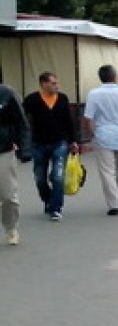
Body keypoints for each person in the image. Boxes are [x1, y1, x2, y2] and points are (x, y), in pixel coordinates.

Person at [83, 65, 118, 216]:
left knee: (107, 172)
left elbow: (89, 118)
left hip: (103, 135)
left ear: (100, 77)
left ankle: (114, 203)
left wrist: (92, 134)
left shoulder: (93, 94)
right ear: (115, 77)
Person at [23, 72, 79, 222]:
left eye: (57, 83)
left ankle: (56, 208)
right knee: (40, 179)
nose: (57, 86)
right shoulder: (32, 99)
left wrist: (74, 141)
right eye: (53, 83)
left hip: (59, 143)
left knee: (58, 177)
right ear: (43, 84)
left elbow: (69, 121)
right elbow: (21, 120)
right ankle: (48, 199)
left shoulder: (62, 98)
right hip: (38, 144)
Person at [0, 80, 33, 244]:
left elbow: (21, 122)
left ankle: (11, 227)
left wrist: (25, 150)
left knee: (7, 195)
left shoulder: (6, 94)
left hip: (3, 150)